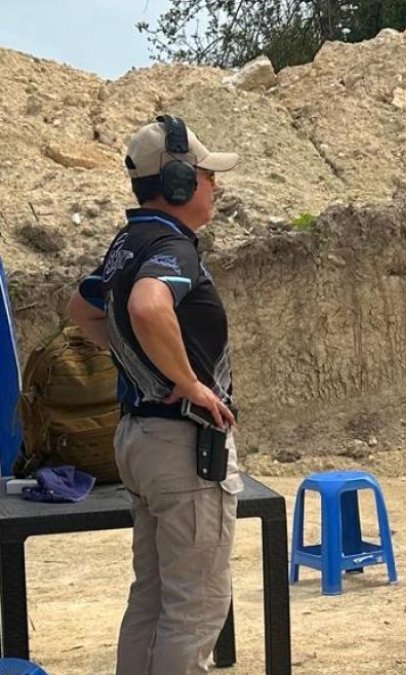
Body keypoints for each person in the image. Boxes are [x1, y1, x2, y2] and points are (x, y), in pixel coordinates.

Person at [67, 115, 243, 674]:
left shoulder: (127, 243)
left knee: (153, 597)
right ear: (179, 183)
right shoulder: (172, 247)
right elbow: (147, 306)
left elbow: (82, 309)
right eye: (206, 176)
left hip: (140, 438)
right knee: (194, 609)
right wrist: (185, 382)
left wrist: (138, 361)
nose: (215, 186)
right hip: (180, 447)